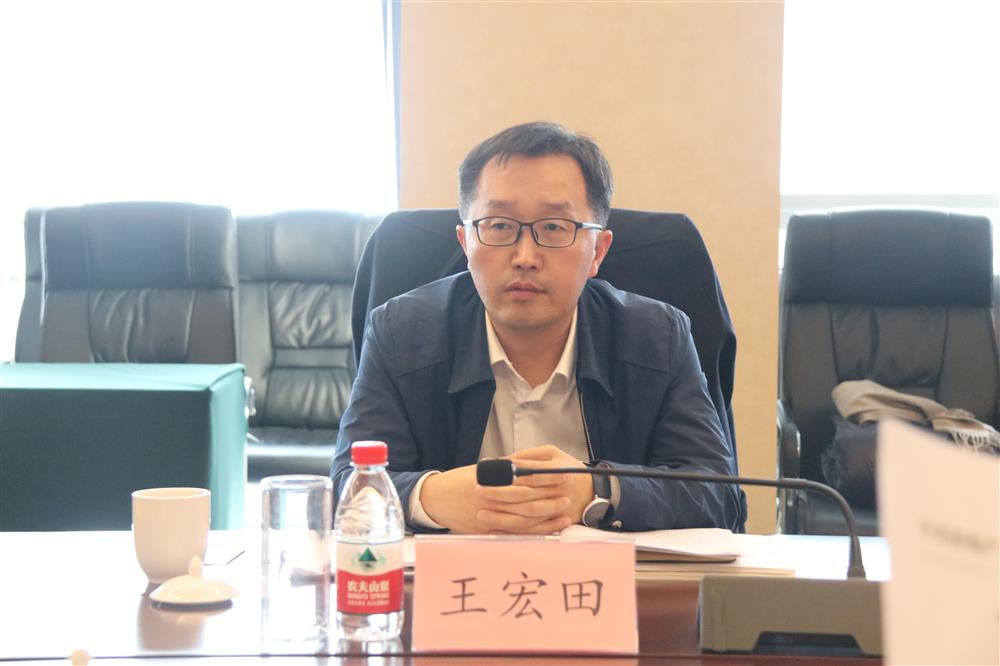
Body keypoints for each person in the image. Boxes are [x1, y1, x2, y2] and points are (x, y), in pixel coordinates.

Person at [331, 121, 741, 534]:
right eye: (499, 226)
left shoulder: (658, 337)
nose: (525, 257)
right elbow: (349, 489)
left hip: (610, 576)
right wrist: (431, 496)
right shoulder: (400, 333)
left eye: (554, 228)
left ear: (598, 252)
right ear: (465, 243)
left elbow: (718, 495)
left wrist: (597, 490)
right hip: (457, 575)